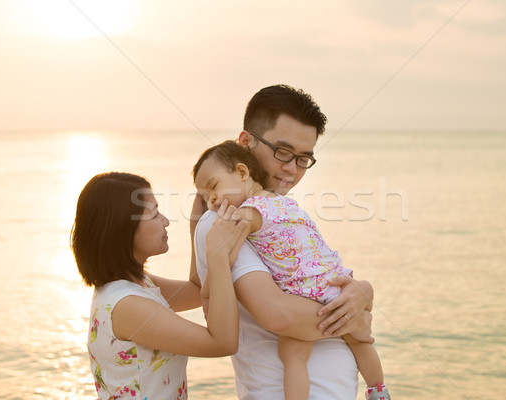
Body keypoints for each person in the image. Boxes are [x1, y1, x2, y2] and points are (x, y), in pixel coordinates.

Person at [190, 84, 385, 399]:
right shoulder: (224, 221)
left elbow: (314, 280)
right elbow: (277, 314)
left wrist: (364, 291)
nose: (291, 169)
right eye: (282, 152)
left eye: (303, 159)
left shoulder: (277, 214)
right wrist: (354, 319)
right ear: (246, 142)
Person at [71, 172, 248, 399]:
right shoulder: (128, 306)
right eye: (154, 213)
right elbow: (222, 343)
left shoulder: (136, 284)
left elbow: (196, 290)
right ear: (122, 229)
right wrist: (219, 254)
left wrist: (196, 224)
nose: (165, 221)